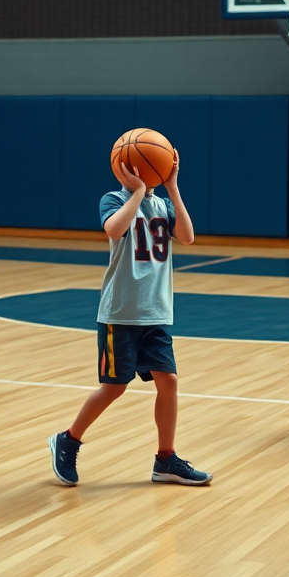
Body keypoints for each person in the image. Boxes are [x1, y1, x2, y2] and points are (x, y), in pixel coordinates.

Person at [48, 150, 211, 487]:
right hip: (120, 313)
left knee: (169, 380)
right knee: (114, 387)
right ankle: (68, 439)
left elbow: (188, 237)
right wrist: (136, 191)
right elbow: (113, 229)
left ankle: (165, 459)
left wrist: (173, 187)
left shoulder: (164, 205)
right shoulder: (113, 198)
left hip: (156, 312)